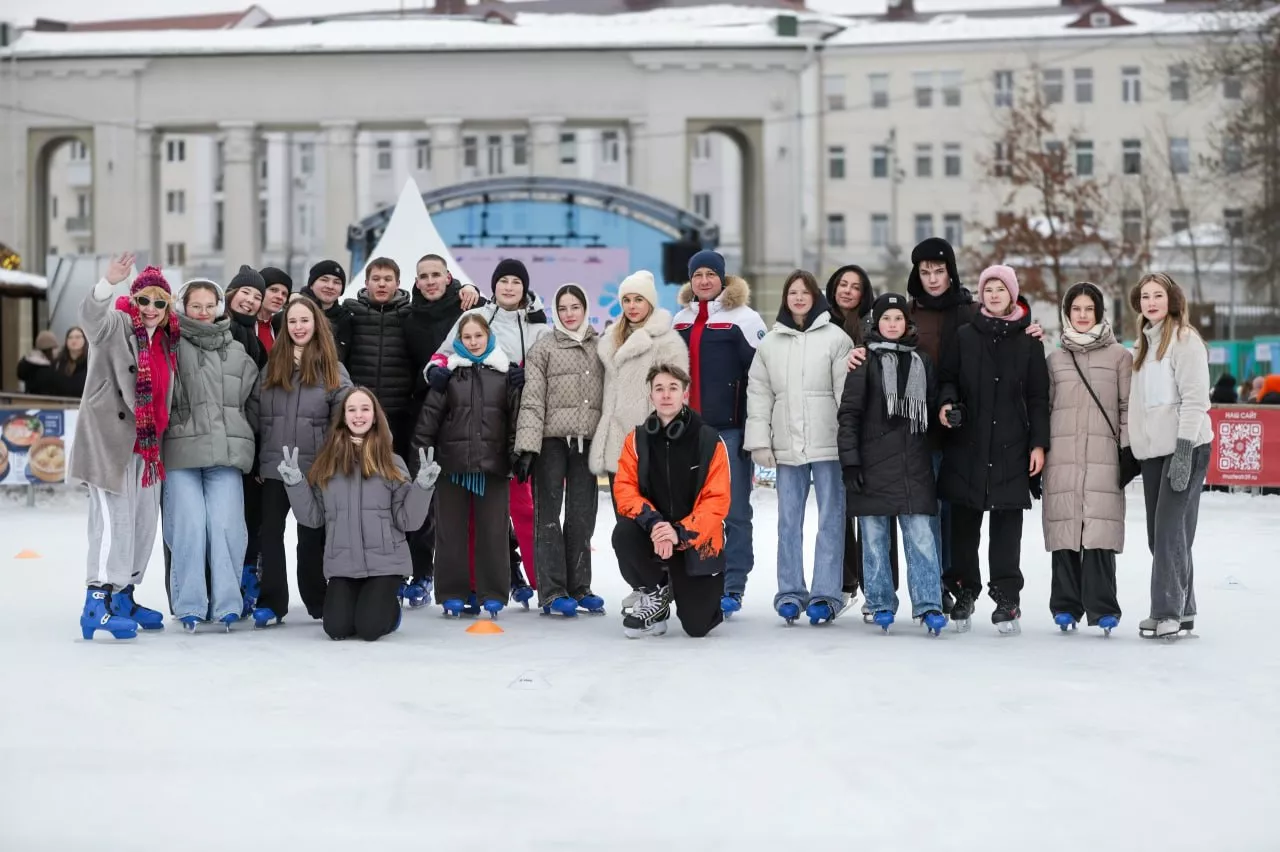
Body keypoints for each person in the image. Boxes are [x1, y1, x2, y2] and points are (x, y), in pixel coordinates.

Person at [937, 265, 1050, 635]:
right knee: (965, 525)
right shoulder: (964, 336)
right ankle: (964, 590)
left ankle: (1006, 598)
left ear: (1013, 295)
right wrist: (949, 403)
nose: (994, 295)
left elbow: (1037, 397)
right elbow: (948, 379)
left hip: (1012, 446)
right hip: (967, 443)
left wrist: (1038, 443)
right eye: (988, 289)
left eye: (1001, 289)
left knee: (1006, 526)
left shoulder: (1030, 341)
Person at [430, 258, 550, 604]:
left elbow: (548, 369)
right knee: (472, 513)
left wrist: (527, 375)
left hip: (518, 430)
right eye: (503, 281)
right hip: (475, 432)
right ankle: (469, 584)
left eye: (516, 281)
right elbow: (443, 354)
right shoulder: (480, 317)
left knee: (524, 509)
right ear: (493, 286)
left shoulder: (537, 325)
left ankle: (545, 583)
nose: (509, 287)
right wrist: (435, 372)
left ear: (525, 287)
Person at [73, 254, 179, 640]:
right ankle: (95, 603)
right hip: (109, 443)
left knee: (142, 525)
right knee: (112, 524)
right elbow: (90, 319)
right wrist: (107, 283)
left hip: (147, 450)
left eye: (159, 302)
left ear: (168, 308)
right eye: (144, 301)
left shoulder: (168, 342)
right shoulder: (116, 324)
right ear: (133, 300)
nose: (150, 309)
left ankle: (124, 596)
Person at [279, 388, 439, 641]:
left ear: (375, 416)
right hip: (344, 566)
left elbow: (408, 520)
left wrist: (423, 487)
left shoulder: (391, 462)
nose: (358, 415)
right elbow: (313, 518)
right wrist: (296, 483)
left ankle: (390, 609)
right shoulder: (328, 464)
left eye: (365, 409)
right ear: (343, 417)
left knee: (369, 628)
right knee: (336, 628)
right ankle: (362, 603)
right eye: (351, 409)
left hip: (384, 564)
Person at [744, 270, 851, 625]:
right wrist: (760, 439)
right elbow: (758, 394)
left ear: (816, 296)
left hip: (829, 444)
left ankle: (826, 594)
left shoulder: (836, 339)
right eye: (793, 292)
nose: (799, 298)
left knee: (831, 519)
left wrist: (848, 441)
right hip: (787, 442)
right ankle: (789, 591)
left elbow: (844, 395)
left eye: (806, 292)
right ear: (785, 298)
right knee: (788, 520)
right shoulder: (770, 343)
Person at [837, 292, 947, 635]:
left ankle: (929, 605)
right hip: (871, 467)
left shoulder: (921, 362)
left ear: (906, 323)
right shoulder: (863, 362)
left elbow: (930, 410)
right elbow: (849, 416)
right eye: (887, 318)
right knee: (873, 539)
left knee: (922, 539)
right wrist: (850, 463)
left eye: (899, 318)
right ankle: (881, 603)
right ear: (876, 322)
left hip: (913, 465)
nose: (893, 324)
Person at [162, 279, 260, 632]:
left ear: (219, 307)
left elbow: (254, 403)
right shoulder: (168, 346)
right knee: (188, 527)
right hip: (181, 452)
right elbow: (157, 393)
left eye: (208, 306)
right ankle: (189, 604)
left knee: (227, 527)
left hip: (227, 455)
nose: (202, 313)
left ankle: (227, 603)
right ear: (183, 307)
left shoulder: (237, 351)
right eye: (195, 306)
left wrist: (250, 439)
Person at [672, 249, 766, 615]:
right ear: (691, 281)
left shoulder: (744, 318)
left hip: (729, 432)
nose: (705, 281)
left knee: (735, 512)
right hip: (688, 433)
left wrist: (752, 429)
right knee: (691, 511)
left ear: (723, 278)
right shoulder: (679, 320)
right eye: (698, 275)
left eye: (712, 274)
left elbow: (761, 378)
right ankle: (698, 577)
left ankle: (734, 583)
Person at [252, 295, 352, 627]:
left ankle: (317, 599)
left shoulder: (332, 369)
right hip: (275, 467)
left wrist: (335, 458)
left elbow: (346, 416)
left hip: (315, 469)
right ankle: (272, 601)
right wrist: (257, 461)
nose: (298, 327)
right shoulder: (271, 367)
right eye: (292, 321)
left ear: (316, 325)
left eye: (304, 321)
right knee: (270, 534)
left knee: (312, 534)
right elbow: (257, 415)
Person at [590, 270, 688, 609]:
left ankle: (663, 582)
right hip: (619, 445)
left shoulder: (667, 341)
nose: (632, 306)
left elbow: (677, 394)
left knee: (654, 517)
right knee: (625, 521)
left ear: (650, 301)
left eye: (638, 299)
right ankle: (641, 584)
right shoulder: (611, 338)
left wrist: (667, 437)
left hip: (652, 444)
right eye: (627, 300)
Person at [611, 364, 731, 639]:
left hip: (695, 540)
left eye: (673, 388)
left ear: (685, 394)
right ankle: (655, 592)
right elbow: (625, 489)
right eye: (659, 389)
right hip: (653, 536)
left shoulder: (709, 440)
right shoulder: (636, 439)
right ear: (651, 396)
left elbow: (717, 501)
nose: (666, 395)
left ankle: (681, 588)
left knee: (698, 627)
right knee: (624, 532)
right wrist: (655, 525)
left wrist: (678, 533)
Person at [414, 313, 522, 618]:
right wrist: (422, 457)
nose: (474, 342)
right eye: (467, 337)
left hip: (493, 465)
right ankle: (451, 592)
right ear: (459, 342)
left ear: (489, 337)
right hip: (452, 465)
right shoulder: (447, 375)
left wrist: (515, 455)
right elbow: (428, 419)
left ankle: (494, 593)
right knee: (450, 532)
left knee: (494, 531)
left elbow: (514, 420)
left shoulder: (504, 374)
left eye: (479, 336)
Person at [1041, 282, 1132, 634]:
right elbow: (1046, 409)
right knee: (1065, 530)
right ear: (1068, 314)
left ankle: (1103, 607)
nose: (1082, 315)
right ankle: (1065, 605)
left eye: (1088, 310)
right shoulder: (1055, 360)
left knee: (1099, 532)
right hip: (1062, 454)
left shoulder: (1119, 357)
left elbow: (1126, 408)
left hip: (1102, 455)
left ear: (1099, 313)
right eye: (1076, 309)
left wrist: (1126, 450)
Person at [1128, 273, 1213, 640]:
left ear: (1172, 299)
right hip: (1152, 452)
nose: (1151, 302)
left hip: (1187, 447)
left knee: (1167, 532)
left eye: (1157, 295)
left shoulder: (1184, 339)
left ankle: (1166, 612)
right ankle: (1185, 607)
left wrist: (1182, 451)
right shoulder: (1142, 346)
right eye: (1145, 296)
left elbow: (1196, 400)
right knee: (1160, 534)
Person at [514, 285, 605, 616]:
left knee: (582, 517)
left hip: (587, 443)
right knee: (548, 517)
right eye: (563, 308)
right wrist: (526, 447)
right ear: (555, 311)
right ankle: (552, 591)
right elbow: (533, 400)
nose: (569, 313)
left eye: (575, 306)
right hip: (551, 443)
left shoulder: (600, 347)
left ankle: (580, 586)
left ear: (585, 309)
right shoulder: (544, 348)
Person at [400, 254, 483, 605]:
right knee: (421, 498)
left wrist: (472, 288)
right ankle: (421, 573)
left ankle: (480, 574)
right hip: (421, 417)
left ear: (448, 277)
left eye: (436, 274)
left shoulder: (468, 309)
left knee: (468, 499)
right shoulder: (407, 318)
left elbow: (512, 307)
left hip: (464, 416)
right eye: (424, 276)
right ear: (416, 282)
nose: (431, 281)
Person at [824, 263, 895, 609]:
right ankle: (845, 579)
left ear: (864, 292)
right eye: (842, 284)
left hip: (869, 428)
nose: (847, 290)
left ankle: (878, 587)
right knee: (838, 510)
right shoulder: (822, 324)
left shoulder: (875, 326)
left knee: (874, 509)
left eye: (855, 286)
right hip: (830, 425)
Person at [222, 266, 268, 613]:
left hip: (249, 435)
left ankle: (247, 573)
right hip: (219, 435)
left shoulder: (254, 339)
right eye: (246, 293)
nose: (251, 301)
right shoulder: (218, 329)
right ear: (231, 292)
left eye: (257, 297)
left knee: (251, 512)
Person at [343, 257, 416, 457]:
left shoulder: (411, 315)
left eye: (387, 279)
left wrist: (467, 287)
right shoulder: (350, 313)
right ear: (366, 283)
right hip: (358, 413)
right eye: (376, 278)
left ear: (398, 284)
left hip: (398, 414)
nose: (382, 284)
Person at [298, 260, 355, 365]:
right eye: (324, 280)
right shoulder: (293, 314)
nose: (330, 286)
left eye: (337, 282)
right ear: (311, 284)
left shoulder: (346, 320)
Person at [19, 327, 88, 398]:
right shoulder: (58, 363)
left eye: (78, 337)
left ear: (85, 340)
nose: (74, 340)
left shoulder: (91, 362)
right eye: (70, 337)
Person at [254, 266, 292, 354]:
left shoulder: (281, 328)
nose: (280, 297)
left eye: (284, 294)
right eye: (273, 290)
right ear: (260, 291)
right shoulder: (243, 326)